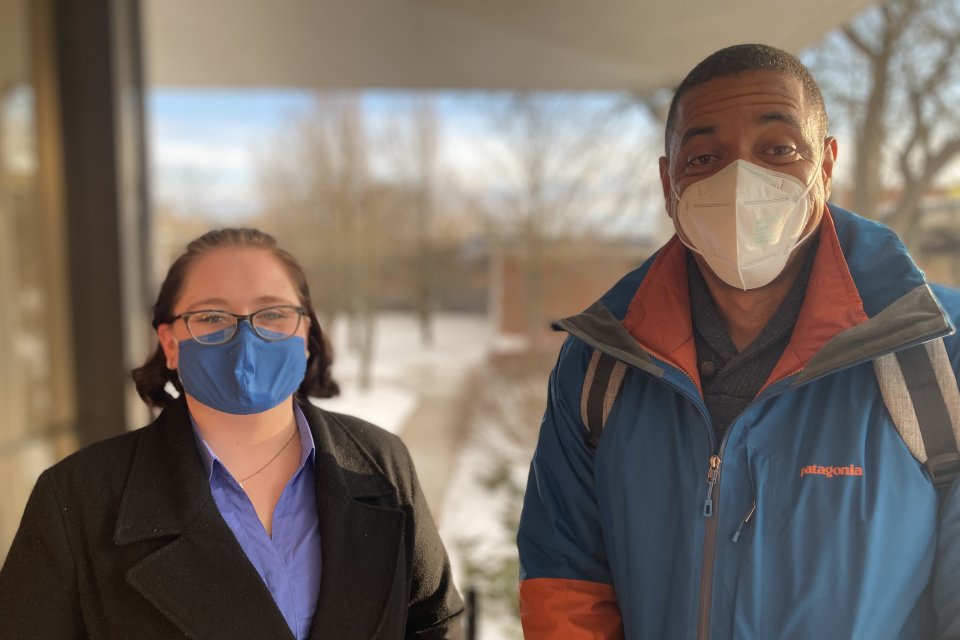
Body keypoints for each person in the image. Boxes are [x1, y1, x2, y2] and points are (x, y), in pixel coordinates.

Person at [517, 44, 960, 639]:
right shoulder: (601, 361)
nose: (740, 180)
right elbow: (566, 588)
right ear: (668, 183)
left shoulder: (936, 351)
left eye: (779, 150)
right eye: (704, 157)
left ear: (826, 165)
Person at [0, 228, 464, 639]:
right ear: (170, 344)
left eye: (272, 313)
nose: (246, 340)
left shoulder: (381, 461)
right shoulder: (76, 498)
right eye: (211, 317)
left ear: (306, 333)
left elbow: (433, 624)